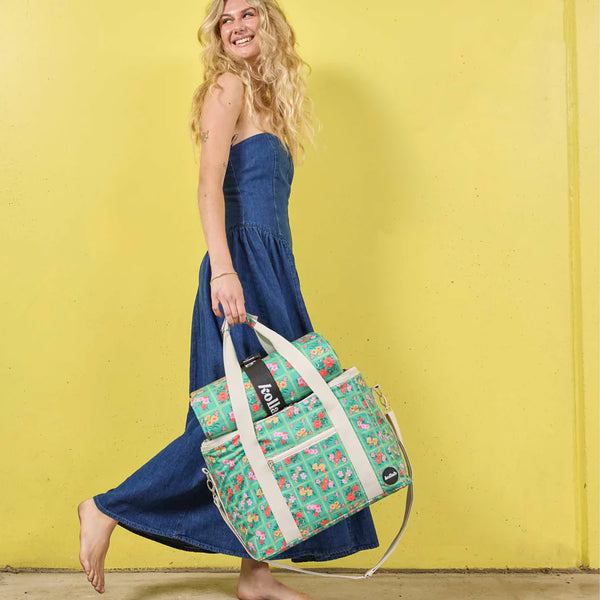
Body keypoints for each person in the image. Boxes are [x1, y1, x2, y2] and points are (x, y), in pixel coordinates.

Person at [77, 0, 379, 597]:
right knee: (230, 422)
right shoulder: (227, 88)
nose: (237, 26)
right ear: (217, 33)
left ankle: (255, 574)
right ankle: (107, 507)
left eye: (249, 14)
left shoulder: (270, 99)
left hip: (272, 270)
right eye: (226, 19)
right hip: (238, 269)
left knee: (278, 417)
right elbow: (208, 185)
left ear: (271, 23)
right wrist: (223, 272)